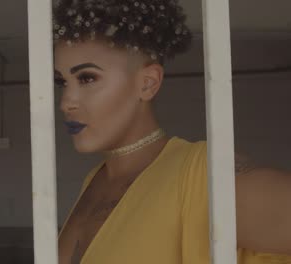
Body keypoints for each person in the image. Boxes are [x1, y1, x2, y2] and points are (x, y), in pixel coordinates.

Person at [52, 0, 291, 263]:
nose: (66, 102)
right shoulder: (94, 179)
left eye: (87, 78)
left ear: (147, 83)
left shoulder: (204, 177)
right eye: (62, 82)